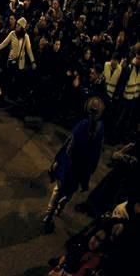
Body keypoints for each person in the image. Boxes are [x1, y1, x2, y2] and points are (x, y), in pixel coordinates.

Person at [44, 97, 106, 232]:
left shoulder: (82, 125)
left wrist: (57, 160)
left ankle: (49, 214)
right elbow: (95, 156)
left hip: (69, 166)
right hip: (80, 171)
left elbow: (68, 145)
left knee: (58, 190)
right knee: (68, 193)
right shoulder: (100, 130)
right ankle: (58, 209)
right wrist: (89, 173)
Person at [0, 16, 36, 101]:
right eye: (17, 24)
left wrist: (33, 61)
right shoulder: (12, 33)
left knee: (17, 80)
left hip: (20, 62)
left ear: (22, 27)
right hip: (11, 60)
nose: (17, 25)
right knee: (8, 78)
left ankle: (13, 97)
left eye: (19, 25)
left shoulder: (26, 37)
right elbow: (4, 43)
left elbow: (29, 50)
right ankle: (5, 96)